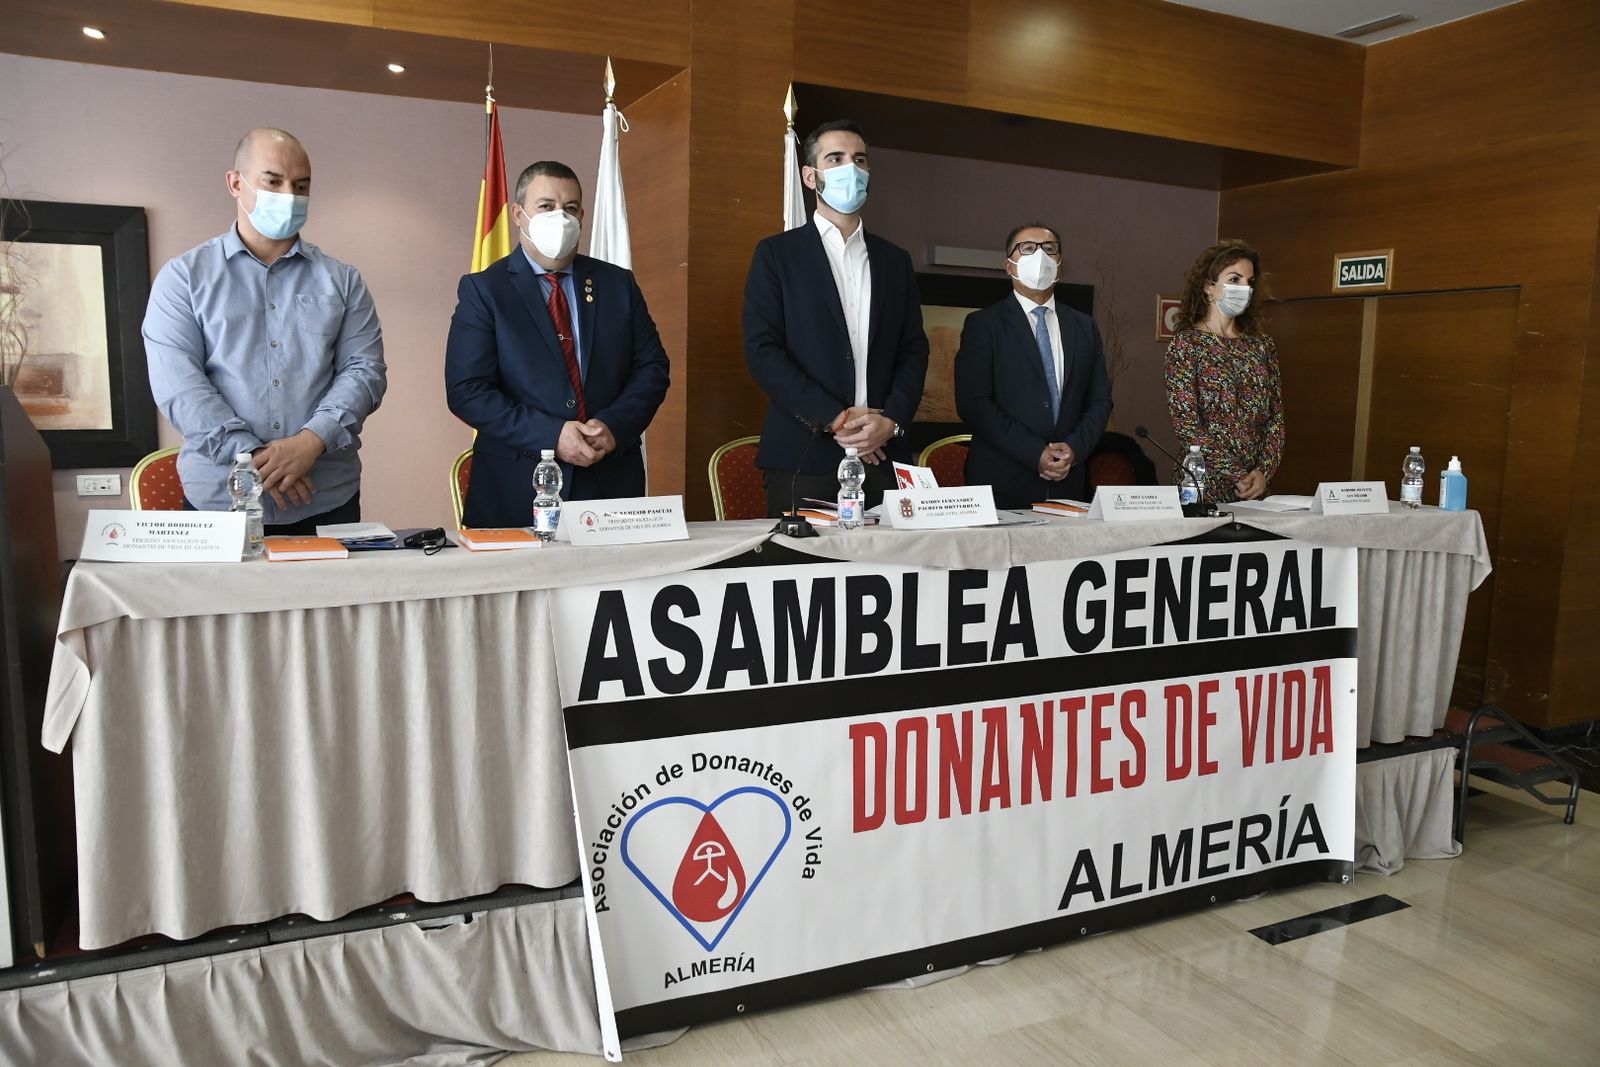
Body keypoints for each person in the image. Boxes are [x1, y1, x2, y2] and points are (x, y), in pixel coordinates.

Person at [143, 127, 387, 532]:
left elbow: (365, 372)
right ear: (235, 183)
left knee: (329, 600)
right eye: (273, 181)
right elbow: (179, 384)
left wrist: (311, 442)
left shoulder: (343, 281)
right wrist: (254, 458)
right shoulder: (183, 278)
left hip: (325, 497)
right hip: (221, 500)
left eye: (301, 185)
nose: (288, 195)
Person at [445, 160, 670, 528]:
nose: (560, 218)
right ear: (519, 215)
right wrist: (553, 435)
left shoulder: (618, 285)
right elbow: (467, 390)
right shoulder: (485, 290)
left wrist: (613, 425)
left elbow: (652, 369)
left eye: (570, 209)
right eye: (546, 207)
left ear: (582, 214)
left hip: (610, 484)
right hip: (516, 488)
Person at [743, 119, 928, 517]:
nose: (852, 168)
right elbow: (763, 351)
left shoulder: (895, 261)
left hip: (885, 457)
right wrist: (836, 418)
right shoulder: (777, 255)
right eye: (836, 158)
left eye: (859, 159)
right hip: (804, 457)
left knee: (894, 577)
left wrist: (892, 420)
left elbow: (913, 350)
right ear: (811, 177)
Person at [954, 223, 1113, 508]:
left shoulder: (1084, 326)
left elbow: (1100, 400)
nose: (1040, 256)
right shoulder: (983, 324)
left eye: (1049, 249)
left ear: (1060, 265)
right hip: (1002, 482)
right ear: (1009, 266)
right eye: (1027, 248)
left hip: (1069, 483)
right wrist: (1035, 452)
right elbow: (974, 403)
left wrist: (1074, 450)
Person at [1163, 239, 1284, 503]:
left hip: (1255, 489)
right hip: (1202, 485)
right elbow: (1187, 425)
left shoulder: (1262, 345)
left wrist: (1263, 472)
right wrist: (1237, 474)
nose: (1244, 288)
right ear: (1209, 287)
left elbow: (1276, 419)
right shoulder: (1186, 345)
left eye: (1249, 282)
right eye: (1234, 279)